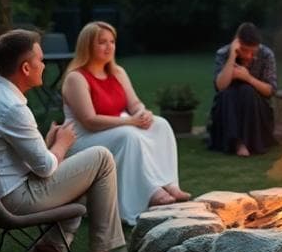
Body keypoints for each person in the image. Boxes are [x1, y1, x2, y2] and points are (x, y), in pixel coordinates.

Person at [0, 29, 147, 252]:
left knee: (83, 172)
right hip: (13, 200)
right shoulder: (12, 107)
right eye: (40, 60)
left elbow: (19, 158)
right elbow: (46, 168)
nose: (44, 66)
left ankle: (51, 249)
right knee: (101, 158)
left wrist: (48, 144)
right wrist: (62, 142)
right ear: (26, 68)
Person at [60, 21, 190, 225]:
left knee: (161, 124)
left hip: (114, 127)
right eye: (102, 42)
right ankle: (150, 192)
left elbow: (134, 103)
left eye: (112, 41)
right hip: (82, 137)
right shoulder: (76, 78)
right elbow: (89, 120)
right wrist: (131, 121)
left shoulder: (117, 72)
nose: (109, 46)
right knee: (128, 135)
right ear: (87, 45)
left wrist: (143, 113)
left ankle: (168, 183)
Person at [207, 22, 278, 157]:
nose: (249, 56)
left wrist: (248, 78)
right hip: (227, 108)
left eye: (253, 52)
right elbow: (220, 86)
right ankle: (238, 143)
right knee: (227, 93)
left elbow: (270, 91)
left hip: (256, 109)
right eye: (245, 50)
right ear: (236, 43)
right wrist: (232, 57)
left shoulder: (266, 55)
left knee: (247, 90)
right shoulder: (223, 53)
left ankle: (247, 141)